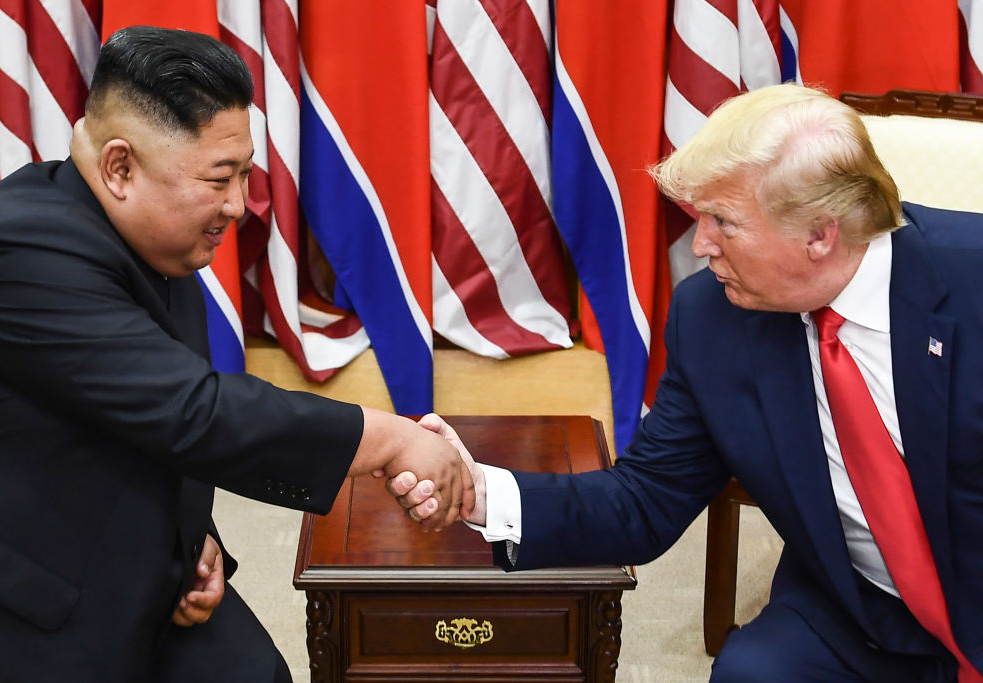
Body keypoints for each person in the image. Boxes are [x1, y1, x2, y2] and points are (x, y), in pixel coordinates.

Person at [392, 84, 983, 682]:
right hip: (861, 611)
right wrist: (482, 493)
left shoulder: (973, 280)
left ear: (820, 235)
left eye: (724, 223)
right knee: (749, 674)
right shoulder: (712, 319)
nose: (701, 246)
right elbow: (644, 499)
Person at [0, 26, 471, 682]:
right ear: (120, 167)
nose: (239, 204)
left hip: (153, 564)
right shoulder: (17, 250)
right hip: (26, 601)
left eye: (246, 175)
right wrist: (390, 439)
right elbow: (192, 410)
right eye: (219, 179)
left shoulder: (153, 237)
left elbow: (137, 409)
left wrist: (191, 530)